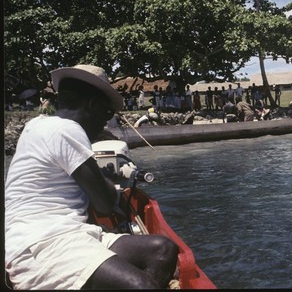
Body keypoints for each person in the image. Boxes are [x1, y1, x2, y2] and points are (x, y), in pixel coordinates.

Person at [5, 64, 178, 289]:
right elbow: (105, 204)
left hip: (72, 234)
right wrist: (104, 176)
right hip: (43, 243)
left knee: (162, 250)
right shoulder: (67, 130)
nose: (106, 122)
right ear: (92, 105)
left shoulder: (37, 125)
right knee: (143, 286)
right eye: (107, 113)